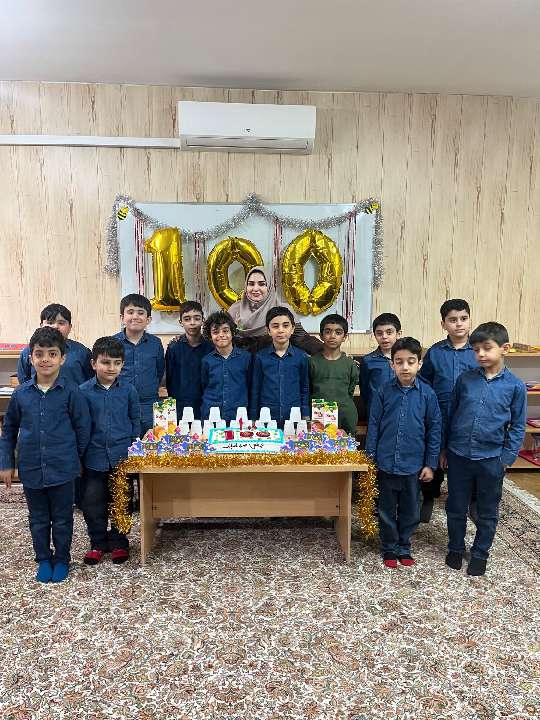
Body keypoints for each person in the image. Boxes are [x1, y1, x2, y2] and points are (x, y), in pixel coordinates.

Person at [0, 327, 91, 583]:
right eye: (39, 354)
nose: (45, 359)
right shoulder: (21, 394)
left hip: (63, 468)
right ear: (30, 358)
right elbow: (9, 431)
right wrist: (6, 463)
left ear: (62, 358)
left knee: (62, 519)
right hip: (31, 468)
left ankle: (61, 559)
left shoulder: (72, 392)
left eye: (52, 354)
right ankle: (43, 558)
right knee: (38, 519)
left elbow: (82, 428)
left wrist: (75, 458)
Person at [443, 322, 526, 576]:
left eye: (487, 348)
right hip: (459, 455)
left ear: (505, 349)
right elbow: (451, 414)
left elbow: (518, 425)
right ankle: (455, 548)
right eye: (476, 349)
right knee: (455, 506)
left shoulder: (515, 386)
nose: (480, 354)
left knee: (487, 510)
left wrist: (506, 458)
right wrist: (445, 448)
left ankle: (480, 553)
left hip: (491, 459)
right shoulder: (465, 380)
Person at [366, 337, 441, 569]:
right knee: (386, 509)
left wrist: (430, 464)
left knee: (411, 510)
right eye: (399, 362)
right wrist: (370, 458)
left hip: (413, 465)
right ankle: (389, 547)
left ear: (419, 364)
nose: (405, 367)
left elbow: (434, 430)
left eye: (411, 361)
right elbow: (374, 425)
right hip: (386, 462)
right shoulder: (383, 391)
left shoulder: (428, 394)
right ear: (392, 365)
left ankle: (404, 546)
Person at [79, 337, 141, 565]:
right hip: (93, 458)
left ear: (122, 364)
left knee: (122, 501)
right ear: (94, 363)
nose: (111, 368)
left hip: (122, 457)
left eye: (117, 363)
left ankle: (119, 542)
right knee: (92, 502)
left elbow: (135, 420)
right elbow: (80, 425)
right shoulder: (83, 391)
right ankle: (97, 542)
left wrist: (134, 448)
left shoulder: (129, 390)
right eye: (106, 362)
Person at [418, 299, 478, 522]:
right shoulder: (435, 352)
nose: (459, 324)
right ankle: (429, 496)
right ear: (443, 324)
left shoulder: (478, 351)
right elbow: (424, 381)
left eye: (463, 318)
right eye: (452, 320)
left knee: (465, 459)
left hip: (468, 418)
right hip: (439, 415)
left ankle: (472, 500)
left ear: (470, 320)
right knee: (434, 454)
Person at [227, 266, 323, 355]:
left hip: (271, 364)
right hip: (241, 364)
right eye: (251, 284)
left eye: (262, 284)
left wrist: (326, 353)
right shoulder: (234, 310)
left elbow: (302, 339)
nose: (255, 289)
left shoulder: (283, 310)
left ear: (269, 286)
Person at [113, 293, 165, 437]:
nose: (135, 316)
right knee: (124, 444)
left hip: (150, 406)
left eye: (140, 313)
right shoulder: (113, 343)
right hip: (121, 404)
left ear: (148, 319)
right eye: (130, 312)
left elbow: (159, 370)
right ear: (122, 318)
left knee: (152, 444)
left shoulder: (156, 343)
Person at [250, 306, 310, 425]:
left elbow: (304, 387)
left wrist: (305, 413)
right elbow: (255, 388)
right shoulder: (260, 357)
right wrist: (253, 416)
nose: (280, 330)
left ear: (292, 329)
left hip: (293, 415)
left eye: (285, 325)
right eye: (275, 326)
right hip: (267, 416)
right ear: (268, 330)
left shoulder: (301, 357)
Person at [17, 303, 93, 386]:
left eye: (61, 323)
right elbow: (24, 382)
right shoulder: (28, 351)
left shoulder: (82, 352)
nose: (55, 326)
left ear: (70, 327)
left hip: (74, 394)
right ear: (41, 326)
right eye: (50, 322)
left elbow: (90, 382)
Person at [309, 313, 359, 435]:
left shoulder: (350, 364)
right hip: (318, 416)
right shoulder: (311, 362)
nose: (332, 336)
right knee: (318, 445)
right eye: (328, 332)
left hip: (345, 415)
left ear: (344, 337)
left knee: (346, 445)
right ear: (321, 336)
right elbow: (308, 389)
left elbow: (350, 390)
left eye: (338, 332)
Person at [200, 311, 253, 423]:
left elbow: (250, 386)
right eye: (215, 332)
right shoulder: (206, 361)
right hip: (211, 415)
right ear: (210, 336)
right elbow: (204, 386)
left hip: (238, 416)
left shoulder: (246, 358)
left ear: (232, 332)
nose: (221, 335)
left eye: (225, 331)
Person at [165, 300, 213, 421]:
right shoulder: (174, 347)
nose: (192, 323)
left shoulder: (211, 347)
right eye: (187, 319)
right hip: (180, 403)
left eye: (197, 318)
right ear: (180, 322)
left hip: (205, 402)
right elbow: (169, 377)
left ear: (203, 320)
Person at [359, 313, 401, 414]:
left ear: (398, 334)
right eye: (379, 333)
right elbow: (364, 391)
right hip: (376, 412)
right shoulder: (368, 360)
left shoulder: (406, 360)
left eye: (389, 332)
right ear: (374, 335)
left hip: (401, 411)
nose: (384, 337)